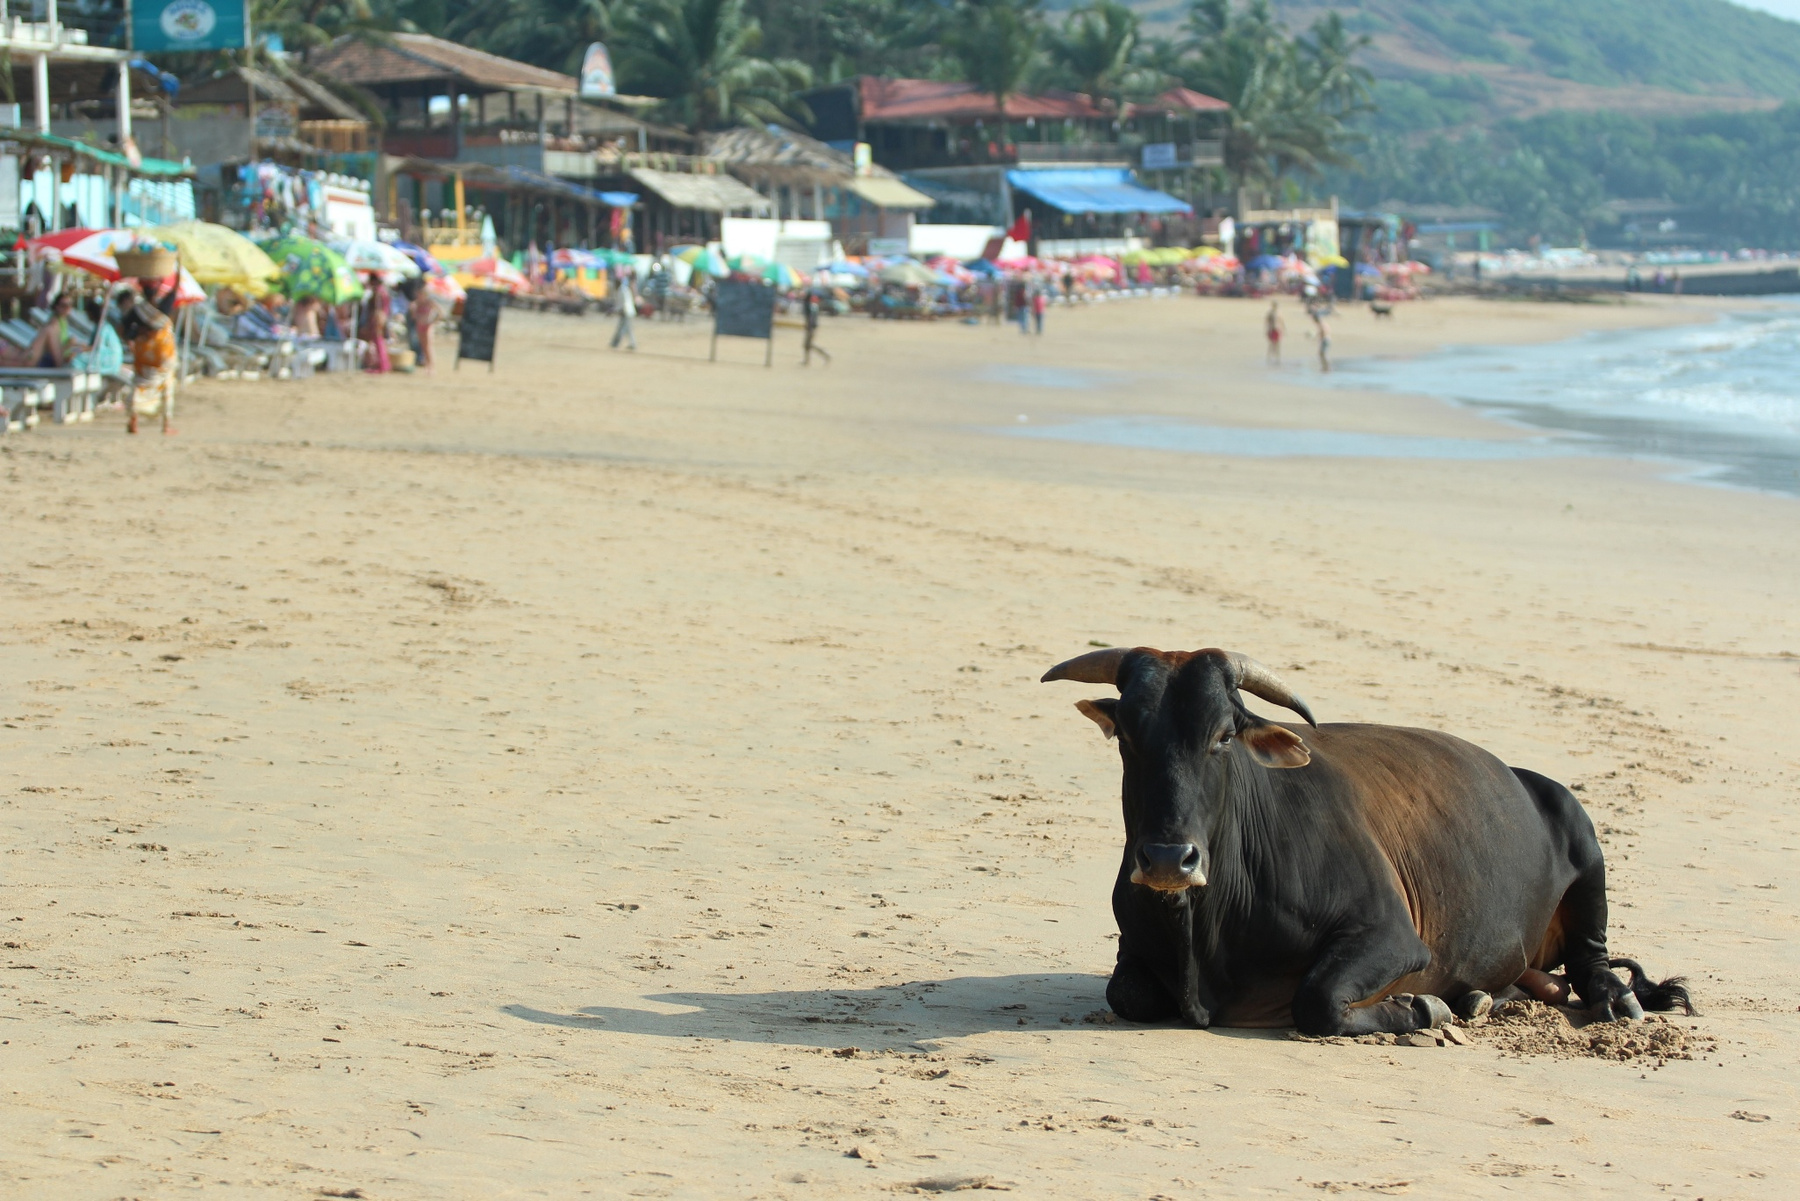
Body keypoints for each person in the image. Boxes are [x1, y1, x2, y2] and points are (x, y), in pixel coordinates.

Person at [119, 290, 176, 435]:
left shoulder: (138, 311)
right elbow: (172, 294)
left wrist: (134, 339)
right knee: (167, 391)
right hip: (161, 355)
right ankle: (166, 425)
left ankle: (134, 419)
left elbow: (124, 329)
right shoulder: (160, 313)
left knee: (138, 388)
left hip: (144, 353)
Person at [26, 291, 77, 368]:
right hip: (50, 363)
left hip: (61, 357)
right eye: (64, 305)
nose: (67, 308)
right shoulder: (54, 324)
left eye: (70, 305)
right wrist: (71, 346)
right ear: (56, 307)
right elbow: (55, 351)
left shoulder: (63, 321)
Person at [361, 274, 391, 373]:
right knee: (380, 342)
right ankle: (384, 364)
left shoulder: (378, 293)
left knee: (378, 342)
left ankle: (382, 365)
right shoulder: (384, 291)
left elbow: (378, 308)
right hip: (383, 317)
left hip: (378, 318)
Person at [408, 283, 437, 373]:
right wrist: (414, 311)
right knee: (423, 347)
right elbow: (413, 317)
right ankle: (427, 365)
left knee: (428, 346)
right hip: (420, 325)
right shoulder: (417, 303)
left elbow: (440, 312)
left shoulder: (429, 302)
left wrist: (432, 320)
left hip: (428, 325)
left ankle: (431, 366)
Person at [801, 289, 830, 366]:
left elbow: (812, 317)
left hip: (811, 326)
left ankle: (824, 355)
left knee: (807, 344)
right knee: (807, 345)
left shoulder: (810, 306)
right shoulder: (812, 305)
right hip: (811, 326)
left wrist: (810, 325)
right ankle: (806, 360)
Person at [611, 269, 637, 351]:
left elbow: (623, 303)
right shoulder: (623, 289)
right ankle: (631, 343)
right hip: (627, 311)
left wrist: (617, 310)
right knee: (627, 329)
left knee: (623, 328)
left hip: (626, 312)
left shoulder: (622, 290)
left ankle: (616, 343)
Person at [1265, 301, 1285, 366]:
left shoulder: (1279, 313)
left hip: (1277, 329)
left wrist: (1283, 329)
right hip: (1272, 329)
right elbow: (1267, 321)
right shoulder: (1270, 313)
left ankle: (1277, 357)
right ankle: (1269, 356)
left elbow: (1282, 321)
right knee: (1271, 344)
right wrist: (1267, 329)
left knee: (1277, 343)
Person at [1312, 308, 1331, 373]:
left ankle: (1326, 367)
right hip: (1327, 339)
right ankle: (1325, 367)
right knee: (1322, 354)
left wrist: (1320, 338)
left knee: (1322, 354)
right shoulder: (1323, 323)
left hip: (1325, 340)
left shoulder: (1321, 324)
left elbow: (1323, 331)